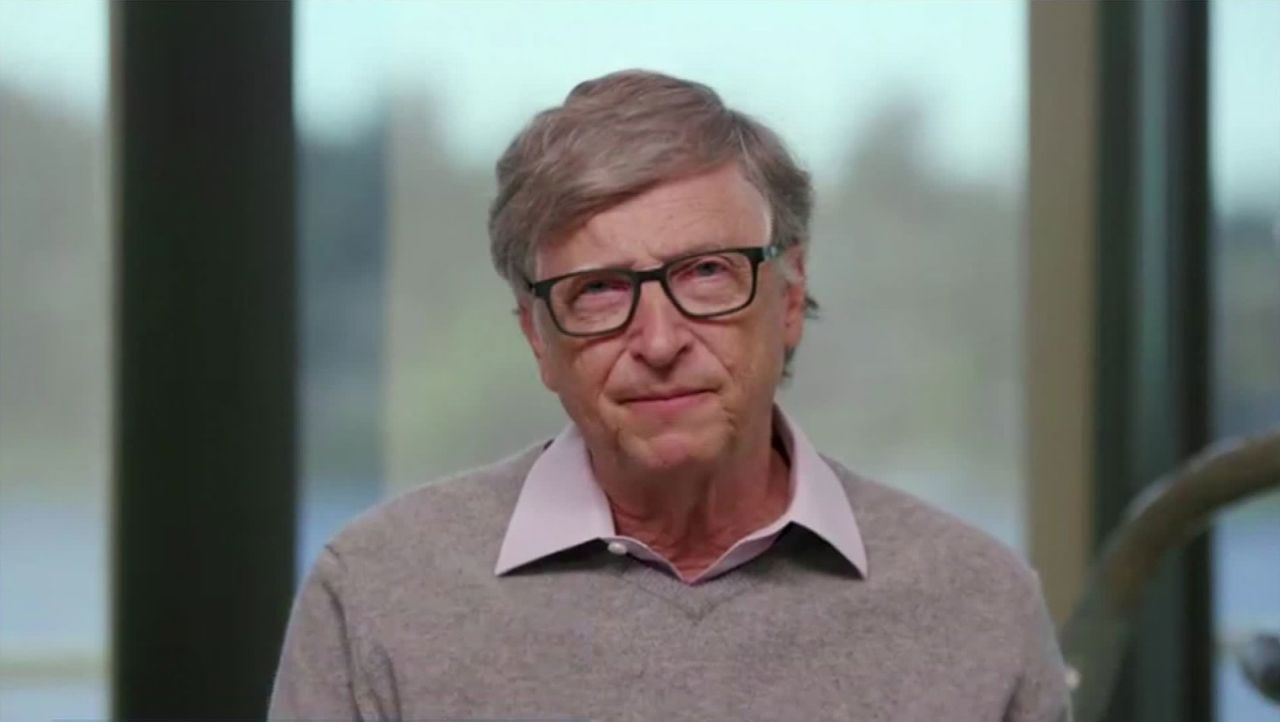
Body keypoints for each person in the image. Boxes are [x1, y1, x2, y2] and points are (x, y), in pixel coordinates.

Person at [268, 69, 1071, 722]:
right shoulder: (378, 594)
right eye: (599, 290)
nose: (658, 342)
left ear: (789, 299)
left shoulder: (977, 606)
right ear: (535, 338)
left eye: (706, 273)